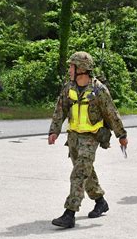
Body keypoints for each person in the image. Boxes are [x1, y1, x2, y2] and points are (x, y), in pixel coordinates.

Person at [48, 51, 128, 228]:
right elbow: (60, 110)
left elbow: (112, 113)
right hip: (73, 137)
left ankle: (70, 213)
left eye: (72, 66)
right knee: (86, 171)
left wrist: (121, 134)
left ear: (81, 69)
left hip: (92, 137)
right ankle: (100, 201)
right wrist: (54, 131)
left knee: (78, 173)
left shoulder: (99, 90)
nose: (69, 69)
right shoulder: (68, 87)